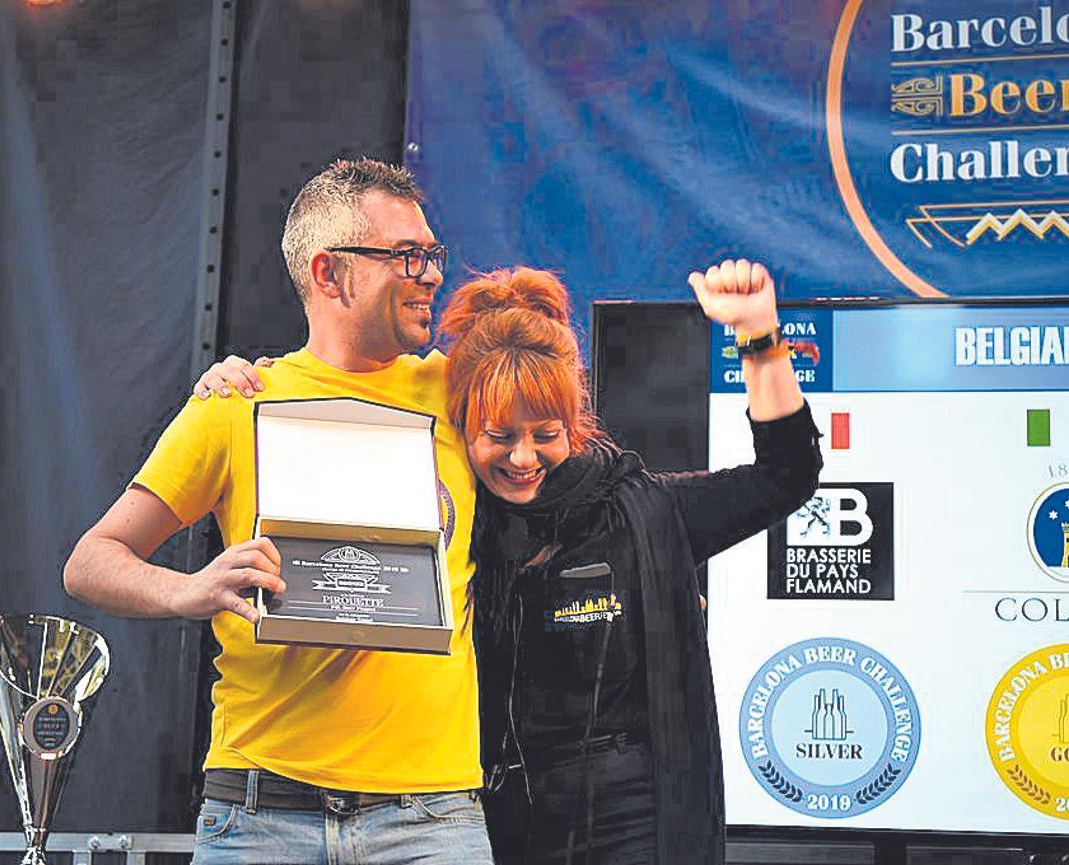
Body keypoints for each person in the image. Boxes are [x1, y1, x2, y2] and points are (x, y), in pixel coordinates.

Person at [199, 259, 822, 864]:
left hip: (636, 816)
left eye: (545, 433)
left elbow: (785, 475)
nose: (523, 457)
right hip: (495, 820)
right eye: (499, 436)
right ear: (461, 425)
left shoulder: (642, 512)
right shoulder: (448, 527)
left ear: (574, 425)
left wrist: (758, 336)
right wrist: (251, 382)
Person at [63, 158, 494, 865]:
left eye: (432, 255)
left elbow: (562, 460)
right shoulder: (238, 401)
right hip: (260, 812)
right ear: (329, 272)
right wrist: (191, 590)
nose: (431, 275)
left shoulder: (462, 391)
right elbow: (90, 561)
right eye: (407, 256)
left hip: (430, 817)